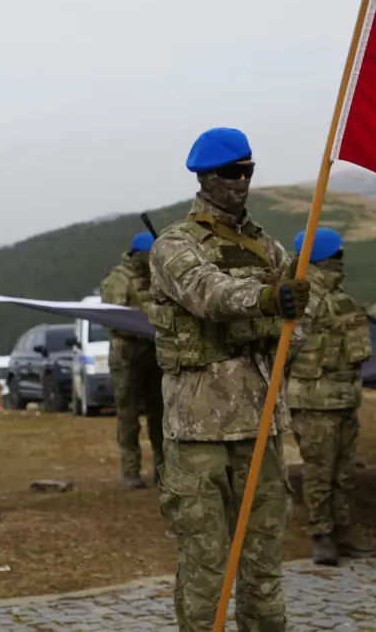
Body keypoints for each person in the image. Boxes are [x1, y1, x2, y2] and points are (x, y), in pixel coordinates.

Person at [147, 126, 310, 632]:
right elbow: (207, 292)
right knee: (205, 569)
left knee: (263, 566)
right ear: (205, 178)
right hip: (200, 429)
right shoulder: (175, 245)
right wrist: (266, 300)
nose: (241, 182)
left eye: (247, 171)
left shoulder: (266, 247)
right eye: (230, 173)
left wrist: (288, 316)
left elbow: (301, 323)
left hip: (261, 423)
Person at [285, 227, 376, 566]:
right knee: (319, 472)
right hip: (313, 402)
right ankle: (321, 535)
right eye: (339, 254)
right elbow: (283, 352)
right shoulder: (302, 298)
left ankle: (342, 530)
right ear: (327, 257)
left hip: (343, 399)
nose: (342, 260)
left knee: (343, 472)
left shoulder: (337, 296)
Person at [100, 230, 165, 489]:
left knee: (159, 413)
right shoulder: (118, 280)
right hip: (126, 355)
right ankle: (131, 471)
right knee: (128, 416)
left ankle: (163, 468)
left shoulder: (158, 278)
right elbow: (114, 318)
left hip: (154, 351)